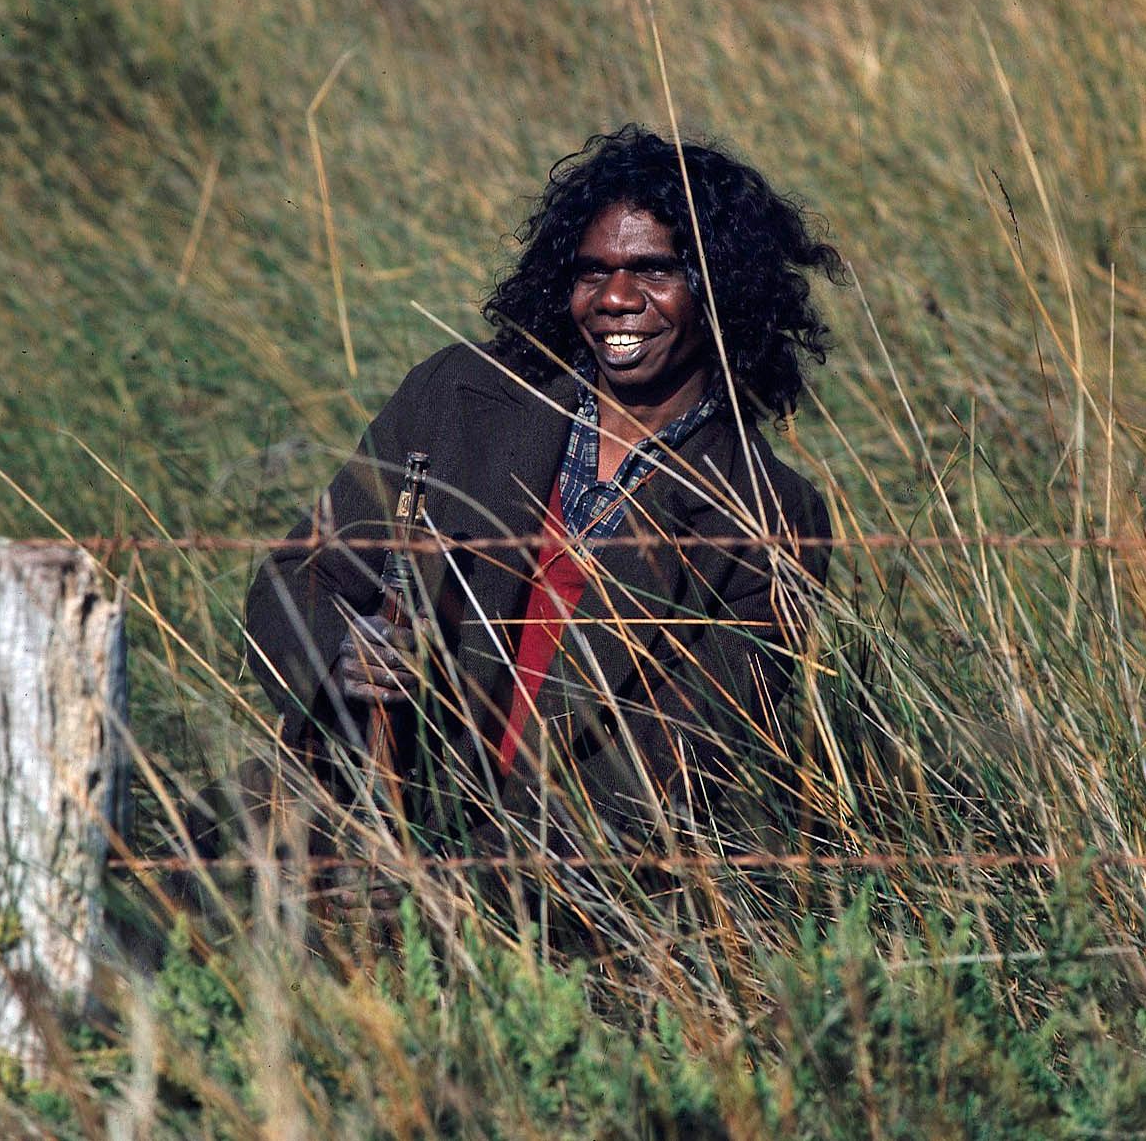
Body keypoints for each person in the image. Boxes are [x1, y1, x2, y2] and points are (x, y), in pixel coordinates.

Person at [238, 124, 842, 864]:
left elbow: (669, 777)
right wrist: (340, 652)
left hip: (564, 879)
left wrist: (453, 894)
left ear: (721, 290)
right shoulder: (462, 395)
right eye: (592, 273)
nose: (615, 297)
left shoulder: (769, 514)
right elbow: (298, 576)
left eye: (653, 271)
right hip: (347, 810)